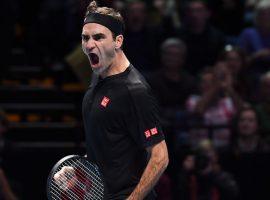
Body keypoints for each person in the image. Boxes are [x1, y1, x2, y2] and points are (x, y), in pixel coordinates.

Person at [55, 1, 169, 199]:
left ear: (118, 41)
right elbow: (108, 148)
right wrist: (78, 171)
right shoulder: (96, 81)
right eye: (85, 38)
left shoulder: (134, 91)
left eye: (98, 37)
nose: (90, 44)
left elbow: (160, 157)